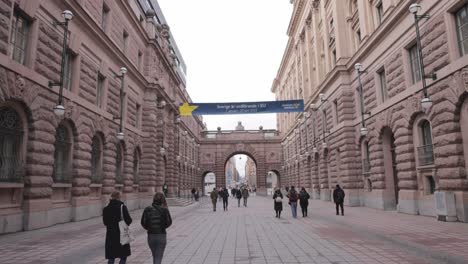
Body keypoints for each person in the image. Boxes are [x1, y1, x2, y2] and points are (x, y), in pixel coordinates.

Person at [141, 192, 172, 264]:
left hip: (151, 235)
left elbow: (143, 222)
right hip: (161, 235)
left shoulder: (147, 209)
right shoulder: (165, 210)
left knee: (155, 255)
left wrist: (149, 228)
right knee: (158, 256)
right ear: (163, 199)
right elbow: (169, 222)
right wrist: (163, 227)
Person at [103, 191, 132, 264]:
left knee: (111, 257)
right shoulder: (122, 207)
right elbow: (129, 220)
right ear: (119, 197)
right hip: (122, 234)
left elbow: (105, 222)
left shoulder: (106, 209)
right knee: (123, 256)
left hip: (111, 235)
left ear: (112, 197)